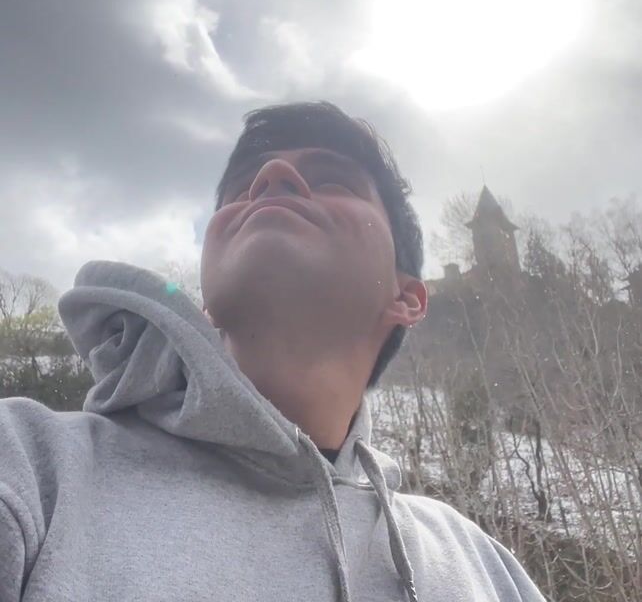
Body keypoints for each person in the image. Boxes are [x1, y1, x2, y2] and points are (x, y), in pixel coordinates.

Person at [0, 100, 546, 602]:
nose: (272, 177)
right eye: (242, 190)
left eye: (331, 179)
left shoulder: (486, 566)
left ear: (408, 298)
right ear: (206, 305)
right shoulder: (33, 467)